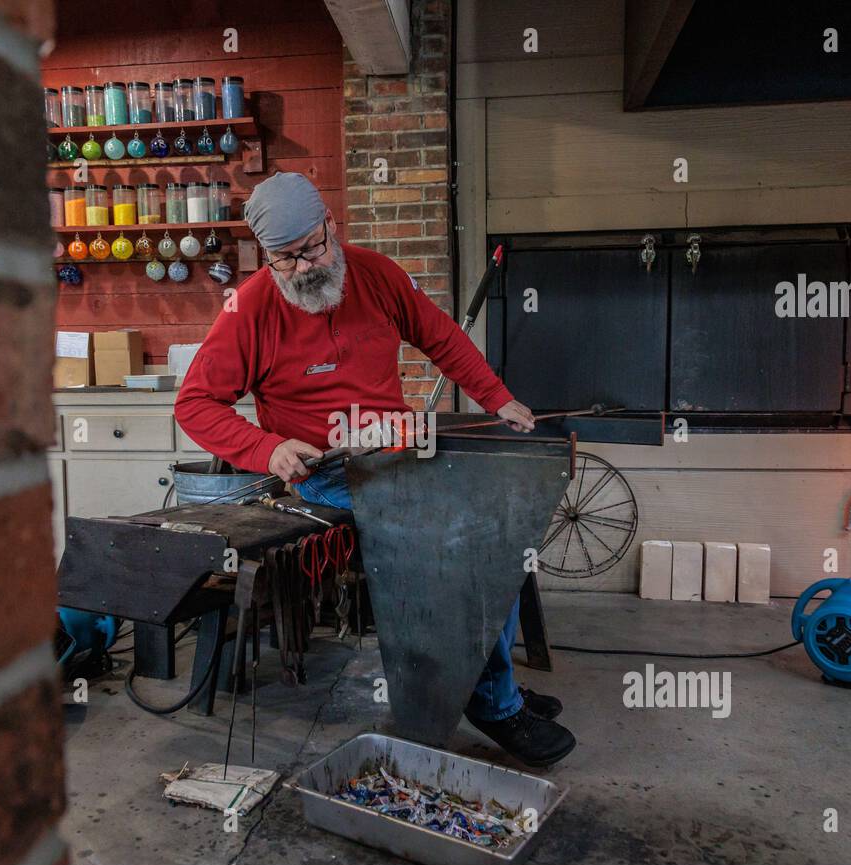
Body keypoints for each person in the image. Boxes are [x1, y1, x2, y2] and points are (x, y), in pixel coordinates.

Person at [175, 173, 575, 766]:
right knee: (465, 549)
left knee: (501, 528)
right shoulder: (250, 308)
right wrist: (267, 449)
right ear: (266, 255)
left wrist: (497, 398)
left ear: (331, 228)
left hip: (401, 455)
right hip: (329, 473)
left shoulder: (376, 274)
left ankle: (475, 680)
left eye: (314, 247)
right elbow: (194, 404)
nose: (307, 266)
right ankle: (494, 704)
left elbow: (441, 337)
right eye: (287, 259)